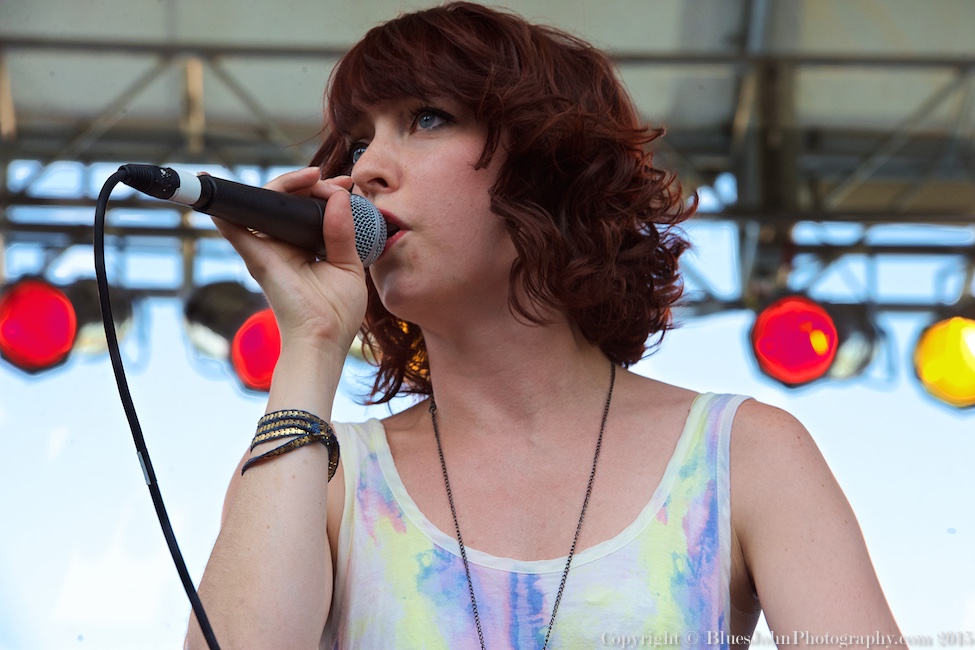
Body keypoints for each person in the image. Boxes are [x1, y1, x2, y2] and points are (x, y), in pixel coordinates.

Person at [185, 3, 903, 648]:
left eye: (426, 117)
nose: (366, 168)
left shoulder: (740, 454)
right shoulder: (325, 475)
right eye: (356, 141)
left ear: (547, 164)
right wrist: (311, 340)